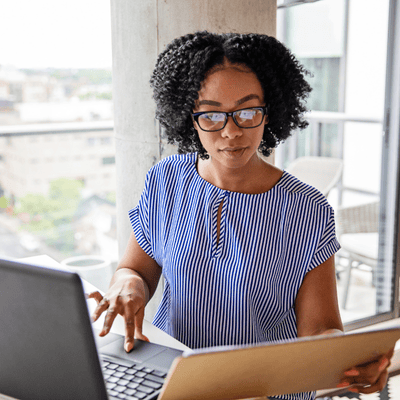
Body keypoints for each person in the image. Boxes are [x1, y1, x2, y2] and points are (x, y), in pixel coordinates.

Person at [89, 31, 393, 399]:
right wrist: (127, 284)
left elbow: (320, 331)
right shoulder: (165, 180)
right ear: (191, 117)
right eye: (212, 115)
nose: (231, 131)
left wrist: (350, 360)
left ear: (271, 111)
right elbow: (135, 269)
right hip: (175, 383)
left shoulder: (307, 208)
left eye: (248, 111)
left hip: (265, 391)